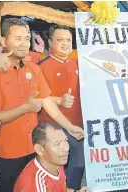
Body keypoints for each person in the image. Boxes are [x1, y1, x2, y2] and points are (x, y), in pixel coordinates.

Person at [0, 18, 84, 192]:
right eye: (18, 38)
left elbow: (46, 100)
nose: (24, 44)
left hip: (35, 148)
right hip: (8, 153)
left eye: (27, 38)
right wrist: (26, 108)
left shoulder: (32, 69)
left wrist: (70, 127)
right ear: (4, 41)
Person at [38, 25, 85, 191]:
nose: (65, 44)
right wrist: (59, 100)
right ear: (50, 42)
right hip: (54, 127)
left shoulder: (78, 64)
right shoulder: (41, 66)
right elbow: (40, 98)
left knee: (78, 167)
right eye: (60, 40)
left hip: (78, 126)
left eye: (68, 40)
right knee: (57, 171)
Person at [14, 122, 90, 192]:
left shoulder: (55, 161)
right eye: (57, 144)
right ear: (40, 149)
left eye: (66, 140)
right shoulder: (35, 186)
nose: (66, 148)